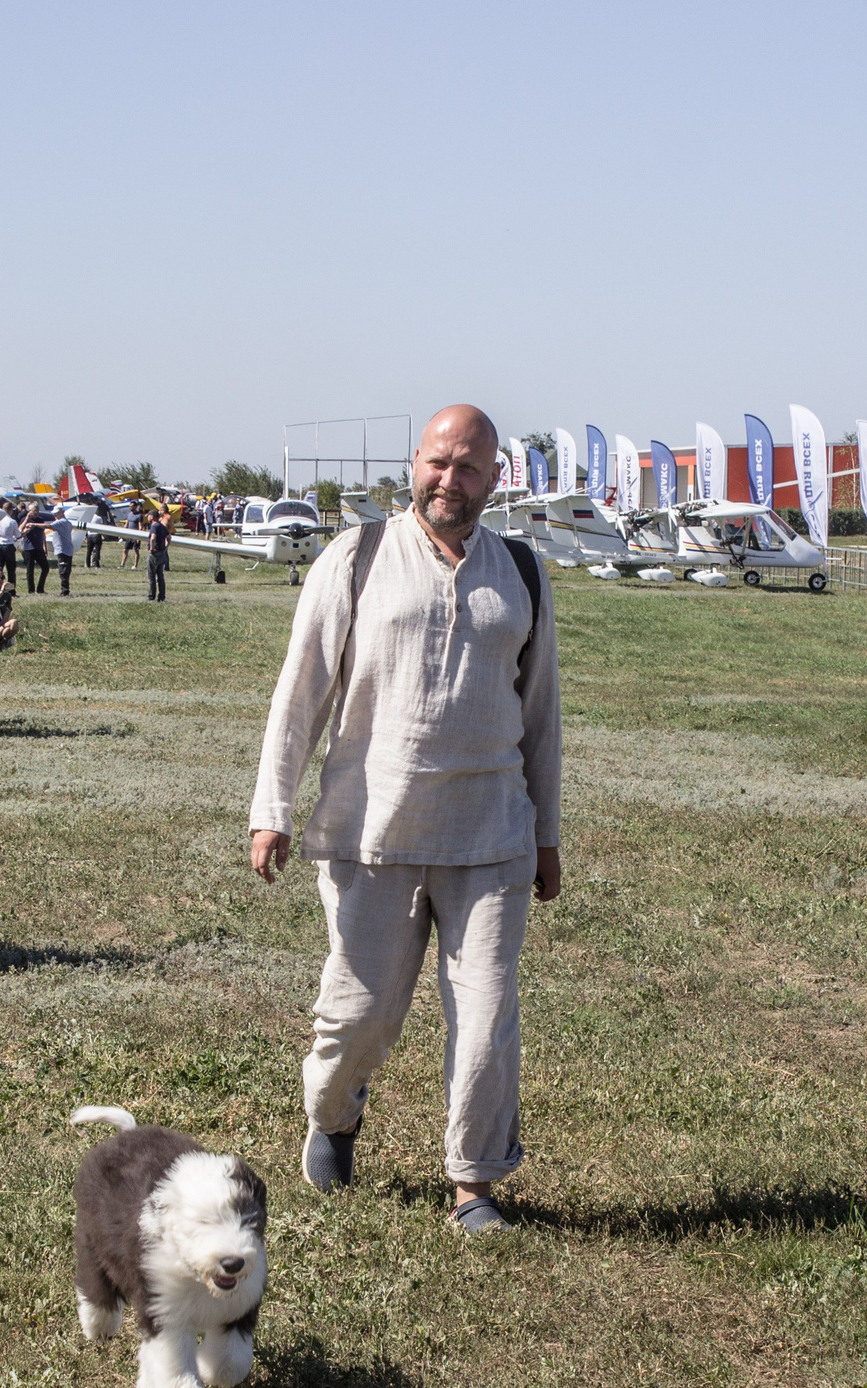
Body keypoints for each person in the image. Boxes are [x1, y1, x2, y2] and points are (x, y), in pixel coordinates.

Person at [247, 406, 560, 1235]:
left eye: (468, 468)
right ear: (413, 462)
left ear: (495, 480)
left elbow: (542, 717)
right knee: (358, 1017)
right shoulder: (358, 556)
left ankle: (474, 1183)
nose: (448, 481)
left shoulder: (521, 572)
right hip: (371, 833)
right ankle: (335, 1116)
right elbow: (300, 689)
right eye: (437, 462)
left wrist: (548, 833)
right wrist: (271, 809)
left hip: (491, 833)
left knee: (487, 1015)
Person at [21, 501, 52, 594]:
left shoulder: (40, 520)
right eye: (35, 510)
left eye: (38, 510)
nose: (37, 512)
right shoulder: (25, 520)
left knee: (45, 567)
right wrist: (27, 518)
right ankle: (31, 590)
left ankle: (40, 588)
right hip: (29, 548)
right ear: (29, 511)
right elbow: (20, 530)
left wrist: (45, 547)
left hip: (39, 548)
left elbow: (43, 534)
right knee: (30, 570)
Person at [48, 504, 76, 596]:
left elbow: (48, 526)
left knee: (63, 571)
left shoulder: (61, 522)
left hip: (62, 550)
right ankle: (65, 589)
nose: (55, 515)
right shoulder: (67, 522)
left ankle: (65, 591)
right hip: (66, 549)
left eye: (56, 513)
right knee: (66, 570)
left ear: (62, 513)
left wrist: (34, 524)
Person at [146, 507, 170, 602]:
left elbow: (152, 538)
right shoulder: (162, 526)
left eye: (148, 516)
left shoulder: (154, 526)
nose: (147, 518)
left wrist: (151, 548)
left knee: (151, 576)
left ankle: (151, 595)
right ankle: (161, 596)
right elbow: (169, 537)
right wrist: (166, 547)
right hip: (162, 554)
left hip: (155, 554)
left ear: (151, 517)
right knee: (160, 576)